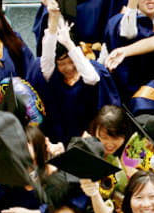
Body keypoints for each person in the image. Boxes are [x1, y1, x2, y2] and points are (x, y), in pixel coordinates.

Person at [28, 10, 121, 144]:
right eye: (62, 63)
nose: (68, 68)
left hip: (87, 139)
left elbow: (92, 79)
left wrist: (69, 43)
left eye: (72, 62)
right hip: (57, 139)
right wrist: (53, 22)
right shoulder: (50, 73)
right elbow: (47, 57)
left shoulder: (92, 71)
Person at [103, 0, 154, 99]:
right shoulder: (120, 22)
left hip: (153, 92)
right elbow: (128, 31)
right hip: (122, 91)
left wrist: (125, 51)